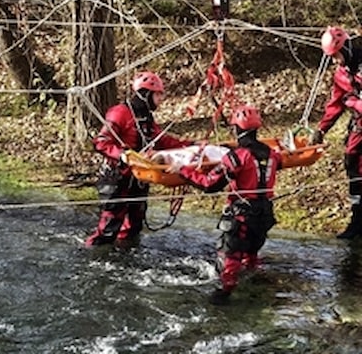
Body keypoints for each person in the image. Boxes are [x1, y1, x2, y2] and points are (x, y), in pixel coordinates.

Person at [170, 104, 281, 304]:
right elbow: (269, 162)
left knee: (229, 258)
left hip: (242, 216)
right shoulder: (272, 154)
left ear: (236, 129)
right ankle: (255, 291)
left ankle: (224, 294)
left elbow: (209, 185)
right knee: (251, 256)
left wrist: (183, 170)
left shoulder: (236, 157)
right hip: (265, 215)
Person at [85, 71, 192, 248]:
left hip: (139, 178)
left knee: (134, 227)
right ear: (146, 94)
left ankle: (125, 261)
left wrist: (190, 144)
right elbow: (101, 142)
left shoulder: (146, 118)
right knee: (108, 230)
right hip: (117, 178)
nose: (161, 99)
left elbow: (162, 140)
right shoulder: (119, 113)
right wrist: (122, 155)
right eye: (158, 94)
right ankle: (92, 257)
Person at [310, 25, 362, 239]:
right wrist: (321, 129)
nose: (334, 61)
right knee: (352, 163)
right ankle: (357, 219)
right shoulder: (341, 74)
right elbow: (335, 104)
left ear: (346, 49)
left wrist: (352, 101)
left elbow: (347, 100)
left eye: (335, 56)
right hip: (360, 128)